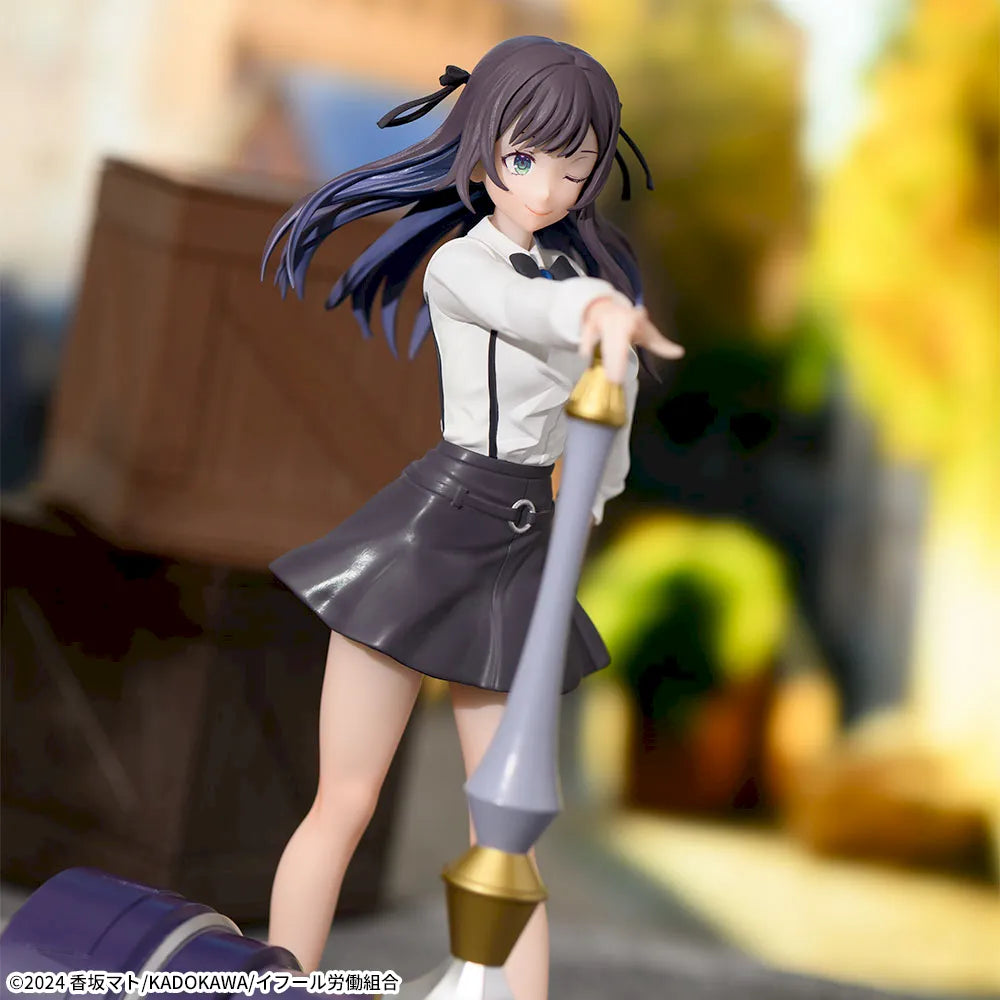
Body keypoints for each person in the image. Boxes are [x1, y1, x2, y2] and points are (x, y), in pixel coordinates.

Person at [261, 35, 683, 1000]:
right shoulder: (464, 266)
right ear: (484, 147)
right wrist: (595, 310)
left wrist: (588, 501)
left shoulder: (577, 287)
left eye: (574, 168)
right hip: (430, 534)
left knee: (507, 831)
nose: (546, 189)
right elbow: (522, 309)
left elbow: (606, 434)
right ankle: (280, 984)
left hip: (520, 550)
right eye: (525, 159)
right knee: (345, 799)